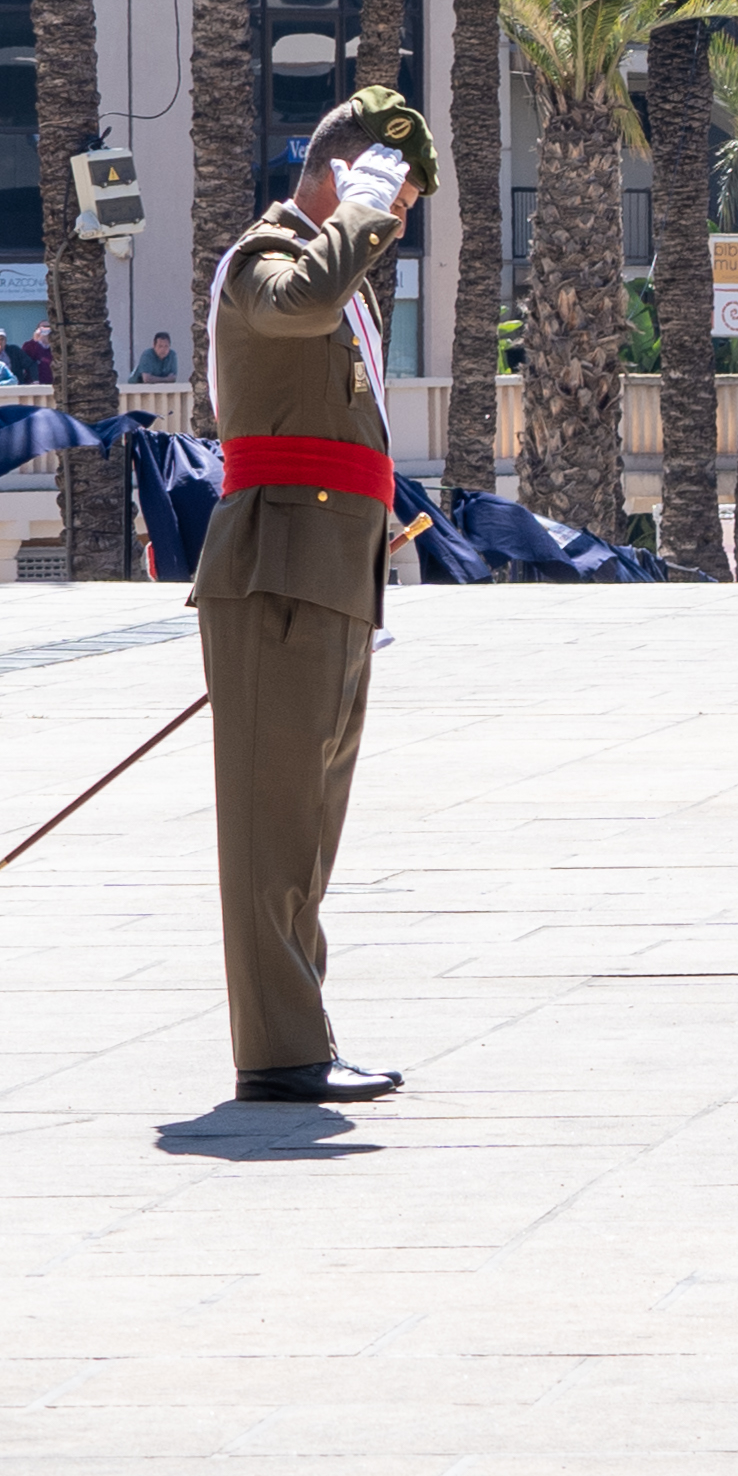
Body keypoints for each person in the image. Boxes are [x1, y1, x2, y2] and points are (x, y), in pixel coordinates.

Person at [199, 90, 429, 1107]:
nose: (398, 222)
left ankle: (301, 1032)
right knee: (272, 825)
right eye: (395, 196)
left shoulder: (328, 267)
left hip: (329, 568)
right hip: (279, 569)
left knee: (306, 828)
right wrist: (360, 212)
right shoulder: (265, 257)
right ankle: (280, 1051)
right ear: (347, 177)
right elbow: (297, 304)